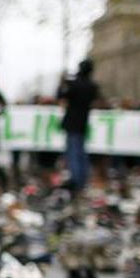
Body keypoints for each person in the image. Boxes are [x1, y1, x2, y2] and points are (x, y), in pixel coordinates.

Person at [57, 59, 99, 193]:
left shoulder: (74, 84)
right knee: (81, 153)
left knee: (73, 153)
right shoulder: (92, 86)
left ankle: (76, 182)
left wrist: (62, 83)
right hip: (83, 123)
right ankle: (82, 180)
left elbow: (61, 95)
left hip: (72, 123)